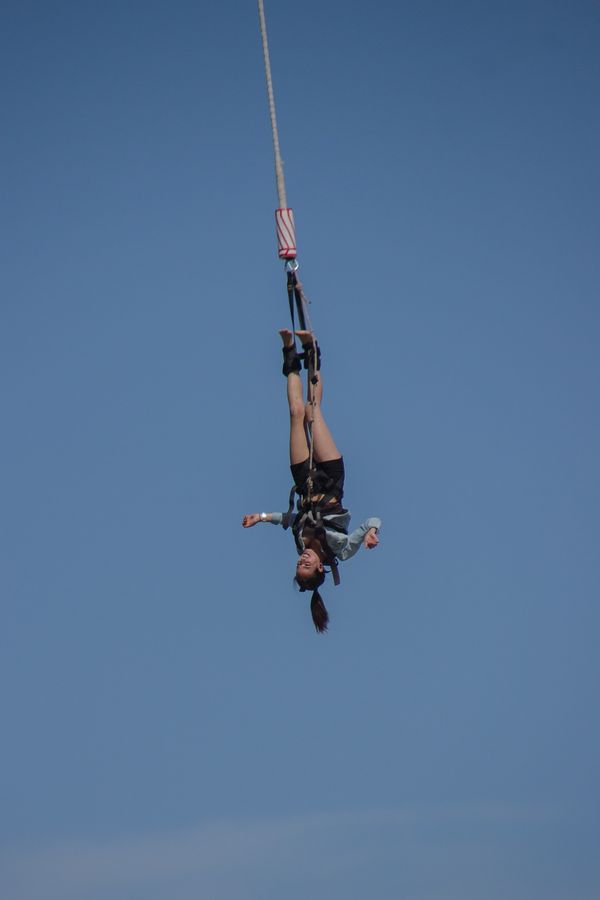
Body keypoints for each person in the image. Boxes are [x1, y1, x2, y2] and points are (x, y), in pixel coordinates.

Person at [242, 328, 381, 633]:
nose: (302, 558)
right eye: (306, 564)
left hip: (304, 481)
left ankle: (290, 352)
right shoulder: (340, 550)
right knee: (312, 412)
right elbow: (372, 518)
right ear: (320, 567)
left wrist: (261, 517)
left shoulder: (300, 541)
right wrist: (371, 533)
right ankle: (313, 354)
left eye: (298, 564)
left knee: (294, 413)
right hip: (330, 478)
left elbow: (289, 519)